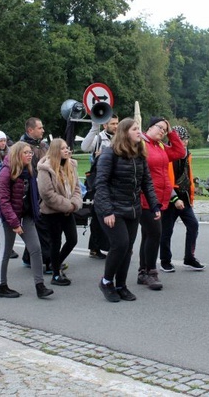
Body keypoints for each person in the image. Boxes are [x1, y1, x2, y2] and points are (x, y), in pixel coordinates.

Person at [94, 118, 160, 302]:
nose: (139, 132)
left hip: (132, 209)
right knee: (120, 244)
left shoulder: (139, 154)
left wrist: (154, 205)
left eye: (139, 128)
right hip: (111, 209)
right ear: (124, 133)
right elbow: (101, 184)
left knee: (128, 249)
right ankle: (106, 282)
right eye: (135, 129)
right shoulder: (109, 154)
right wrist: (107, 211)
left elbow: (147, 182)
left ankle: (121, 285)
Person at [0, 141, 54, 299]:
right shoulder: (6, 173)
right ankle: (2, 286)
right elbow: (4, 201)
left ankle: (40, 286)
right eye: (26, 152)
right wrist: (14, 223)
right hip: (7, 218)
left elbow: (33, 195)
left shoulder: (29, 170)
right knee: (5, 251)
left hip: (25, 215)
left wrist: (35, 212)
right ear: (17, 154)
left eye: (30, 153)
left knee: (36, 248)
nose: (29, 155)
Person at [136, 117, 185, 290]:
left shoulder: (161, 146)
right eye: (160, 128)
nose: (162, 132)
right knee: (155, 234)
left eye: (165, 130)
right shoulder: (140, 144)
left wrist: (171, 132)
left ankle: (143, 272)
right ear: (149, 127)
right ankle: (151, 272)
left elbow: (180, 152)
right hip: (146, 198)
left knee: (148, 235)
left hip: (160, 199)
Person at [37, 139, 82, 286]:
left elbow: (76, 188)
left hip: (68, 210)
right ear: (56, 150)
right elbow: (47, 194)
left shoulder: (71, 165)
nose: (66, 150)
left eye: (67, 148)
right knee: (55, 242)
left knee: (72, 239)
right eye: (63, 148)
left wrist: (74, 204)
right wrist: (67, 205)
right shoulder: (46, 168)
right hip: (52, 212)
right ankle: (56, 275)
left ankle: (55, 264)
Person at [159, 125, 204, 272]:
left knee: (193, 225)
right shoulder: (165, 153)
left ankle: (189, 258)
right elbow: (165, 179)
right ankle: (165, 260)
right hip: (170, 197)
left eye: (186, 139)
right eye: (181, 140)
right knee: (166, 231)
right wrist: (174, 198)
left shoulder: (187, 154)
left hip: (184, 196)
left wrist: (191, 194)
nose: (184, 143)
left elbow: (187, 175)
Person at [81, 115, 119, 258]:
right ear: (105, 125)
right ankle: (95, 247)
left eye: (117, 123)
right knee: (98, 216)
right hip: (99, 181)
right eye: (113, 123)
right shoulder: (99, 137)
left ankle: (113, 245)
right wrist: (93, 128)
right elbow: (84, 146)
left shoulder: (119, 137)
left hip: (115, 181)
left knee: (114, 214)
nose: (116, 126)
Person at [19, 118, 52, 271]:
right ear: (30, 130)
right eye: (40, 128)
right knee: (42, 227)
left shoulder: (44, 145)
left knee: (39, 226)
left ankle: (28, 257)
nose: (43, 130)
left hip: (43, 189)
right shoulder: (23, 149)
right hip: (33, 192)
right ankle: (47, 260)